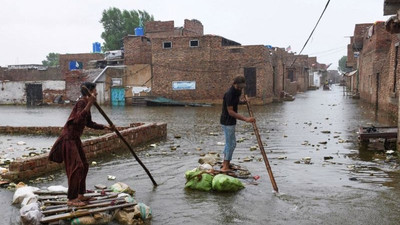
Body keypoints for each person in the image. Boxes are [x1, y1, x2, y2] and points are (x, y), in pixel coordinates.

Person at [48, 82, 114, 206]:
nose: (97, 93)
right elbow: (77, 119)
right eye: (95, 90)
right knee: (77, 167)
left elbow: (89, 123)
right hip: (68, 139)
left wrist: (105, 127)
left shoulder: (86, 104)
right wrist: (89, 103)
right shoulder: (82, 103)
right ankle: (72, 199)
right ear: (89, 91)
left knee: (84, 165)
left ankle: (80, 194)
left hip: (75, 139)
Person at [220, 76, 255, 172]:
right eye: (239, 87)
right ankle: (225, 166)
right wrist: (246, 119)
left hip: (231, 121)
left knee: (230, 143)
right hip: (227, 121)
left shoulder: (237, 91)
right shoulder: (229, 94)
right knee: (231, 144)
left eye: (241, 87)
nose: (240, 89)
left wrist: (243, 102)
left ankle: (225, 163)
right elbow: (230, 111)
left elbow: (235, 102)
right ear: (234, 84)